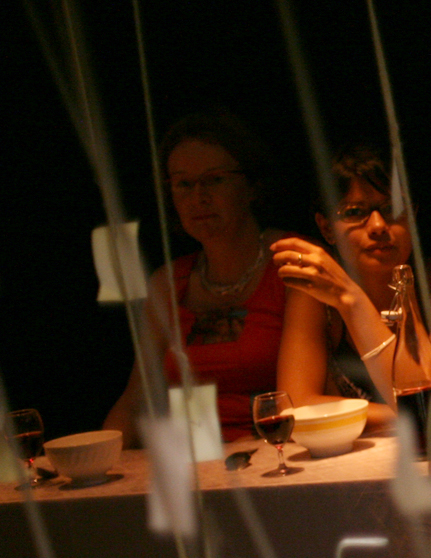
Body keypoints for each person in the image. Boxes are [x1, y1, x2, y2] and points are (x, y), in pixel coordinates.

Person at [105, 112, 291, 447]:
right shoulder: (167, 283)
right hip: (197, 460)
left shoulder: (289, 261)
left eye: (215, 180)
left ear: (252, 186)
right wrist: (93, 462)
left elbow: (302, 400)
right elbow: (136, 400)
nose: (198, 197)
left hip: (277, 452)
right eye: (184, 184)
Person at [273, 145, 431, 432]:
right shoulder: (317, 295)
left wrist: (352, 301)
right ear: (326, 228)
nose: (377, 225)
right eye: (354, 212)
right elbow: (294, 407)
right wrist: (408, 418)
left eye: (392, 208)